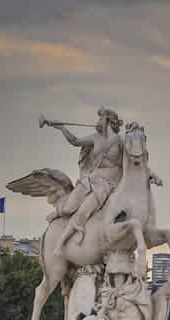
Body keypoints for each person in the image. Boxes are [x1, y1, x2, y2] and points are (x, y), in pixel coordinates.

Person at [49, 106, 124, 251]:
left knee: (83, 211)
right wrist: (62, 128)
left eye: (100, 118)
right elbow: (75, 141)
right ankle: (59, 213)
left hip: (107, 184)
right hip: (90, 179)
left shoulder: (120, 140)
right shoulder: (95, 138)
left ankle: (64, 241)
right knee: (68, 208)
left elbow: (135, 158)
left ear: (108, 121)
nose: (98, 121)